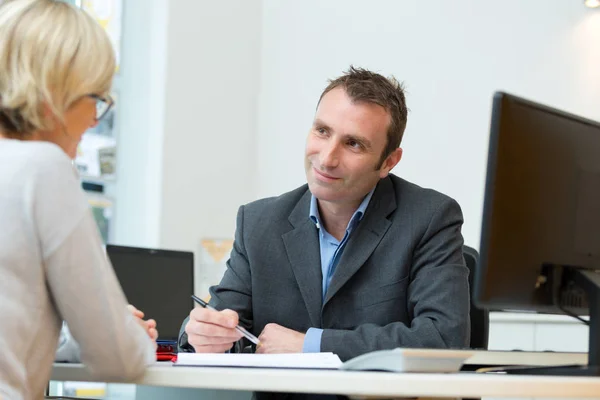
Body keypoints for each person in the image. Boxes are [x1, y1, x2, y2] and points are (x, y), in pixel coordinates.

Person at [180, 66, 469, 365]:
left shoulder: (430, 217)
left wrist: (310, 344)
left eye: (353, 144)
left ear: (388, 162)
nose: (327, 159)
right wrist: (205, 335)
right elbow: (222, 324)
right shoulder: (259, 222)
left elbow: (443, 338)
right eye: (322, 131)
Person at [0, 1, 158, 398]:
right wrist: (127, 334)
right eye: (95, 98)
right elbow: (118, 359)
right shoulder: (43, 168)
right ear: (55, 95)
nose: (95, 118)